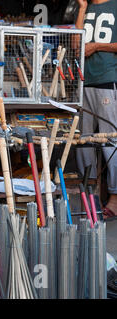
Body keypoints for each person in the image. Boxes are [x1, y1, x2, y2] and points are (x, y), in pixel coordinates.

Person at [75, 0, 117, 220]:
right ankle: (88, 194)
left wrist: (98, 46)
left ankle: (115, 198)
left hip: (108, 80)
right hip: (85, 82)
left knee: (112, 140)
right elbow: (75, 44)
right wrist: (82, 8)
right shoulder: (86, 7)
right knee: (85, 141)